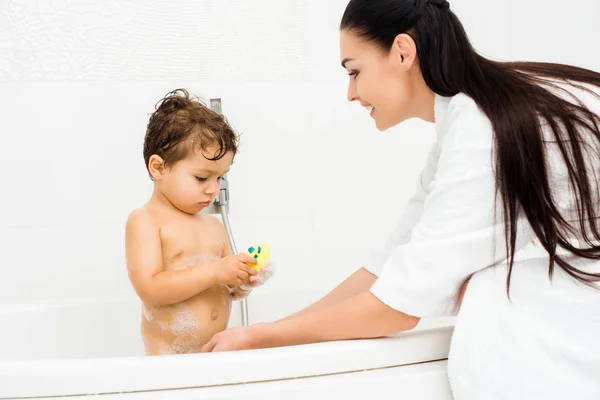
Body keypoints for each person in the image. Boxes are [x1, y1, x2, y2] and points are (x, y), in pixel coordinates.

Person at [202, 0, 600, 397]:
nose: (350, 93)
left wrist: (265, 339)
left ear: (403, 52)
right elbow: (389, 265)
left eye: (355, 72)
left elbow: (397, 308)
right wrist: (264, 332)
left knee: (486, 290)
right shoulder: (467, 120)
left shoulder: (481, 131)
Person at [125, 89, 271, 355]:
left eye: (220, 178)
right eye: (202, 178)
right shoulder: (146, 221)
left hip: (214, 356)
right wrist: (217, 271)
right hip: (170, 362)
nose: (213, 190)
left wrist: (242, 280)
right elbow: (151, 289)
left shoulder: (214, 227)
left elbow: (227, 289)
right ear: (158, 168)